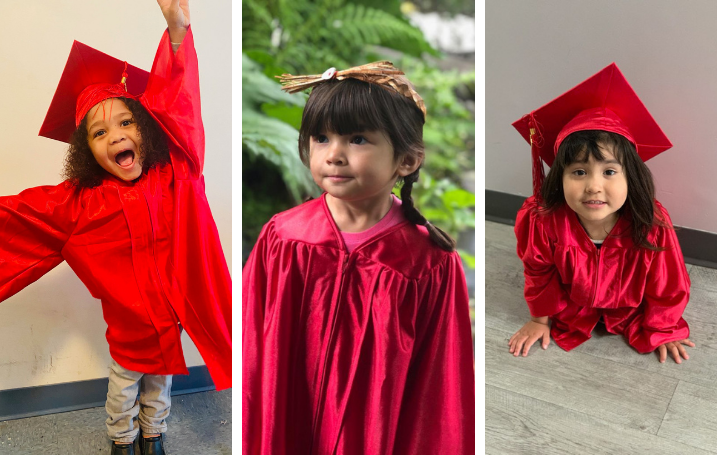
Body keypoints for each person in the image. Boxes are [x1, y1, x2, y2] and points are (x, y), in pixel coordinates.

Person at [0, 0, 231, 454]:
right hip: (127, 330)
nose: (117, 136)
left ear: (148, 128)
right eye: (99, 132)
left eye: (126, 121)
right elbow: (18, 216)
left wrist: (178, 33)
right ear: (86, 151)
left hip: (169, 321)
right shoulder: (79, 203)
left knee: (161, 383)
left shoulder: (176, 177)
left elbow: (181, 104)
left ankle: (153, 434)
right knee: (123, 388)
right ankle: (122, 439)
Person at [242, 62, 475, 454]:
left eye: (358, 140)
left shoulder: (427, 263)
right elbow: (252, 350)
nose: (333, 154)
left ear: (407, 160)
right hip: (284, 424)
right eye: (321, 137)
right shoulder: (285, 239)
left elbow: (440, 386)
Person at [508, 63, 693, 364]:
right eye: (579, 172)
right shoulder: (544, 220)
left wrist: (664, 329)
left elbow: (668, 282)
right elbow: (538, 273)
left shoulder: (650, 222)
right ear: (560, 178)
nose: (594, 186)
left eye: (609, 171)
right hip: (573, 307)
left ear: (631, 177)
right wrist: (540, 321)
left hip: (630, 309)